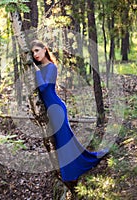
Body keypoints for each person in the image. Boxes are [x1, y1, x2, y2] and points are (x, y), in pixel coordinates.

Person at [30, 40, 109, 182]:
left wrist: (36, 72)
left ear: (44, 49)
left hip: (57, 109)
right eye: (33, 52)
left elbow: (44, 88)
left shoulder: (51, 67)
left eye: (37, 50)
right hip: (52, 110)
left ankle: (71, 173)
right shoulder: (41, 69)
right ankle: (80, 165)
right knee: (66, 141)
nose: (35, 54)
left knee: (64, 142)